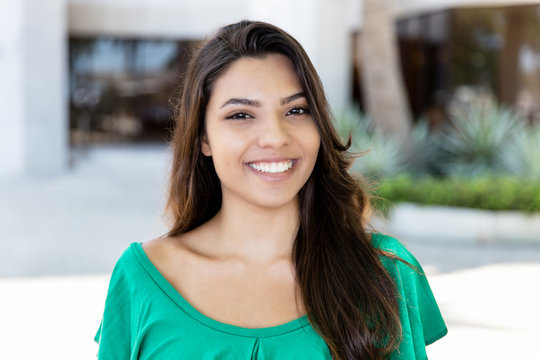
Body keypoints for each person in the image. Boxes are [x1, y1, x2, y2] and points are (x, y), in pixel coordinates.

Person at [94, 20, 447, 359]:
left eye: (296, 110)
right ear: (203, 138)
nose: (276, 137)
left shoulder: (384, 272)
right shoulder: (142, 278)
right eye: (241, 115)